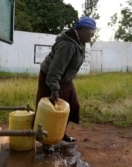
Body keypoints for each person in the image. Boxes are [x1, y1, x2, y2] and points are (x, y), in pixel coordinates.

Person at [35, 16, 96, 152]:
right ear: (84, 29)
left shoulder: (78, 41)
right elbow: (55, 70)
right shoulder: (67, 45)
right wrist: (54, 89)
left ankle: (60, 133)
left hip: (65, 79)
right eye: (91, 33)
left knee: (73, 106)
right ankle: (46, 141)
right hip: (51, 78)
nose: (92, 37)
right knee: (50, 111)